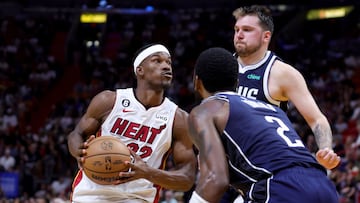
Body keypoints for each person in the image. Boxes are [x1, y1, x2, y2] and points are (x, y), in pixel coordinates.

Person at [187, 47, 339, 202]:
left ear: (197, 82)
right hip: (323, 185)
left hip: (280, 187)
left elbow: (216, 180)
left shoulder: (205, 111)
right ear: (237, 82)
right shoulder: (273, 110)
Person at [67, 43, 197, 203]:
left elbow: (187, 178)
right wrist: (79, 152)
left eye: (168, 62)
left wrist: (148, 172)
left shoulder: (179, 119)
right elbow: (76, 134)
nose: (166, 66)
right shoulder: (109, 101)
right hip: (91, 195)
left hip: (137, 198)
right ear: (139, 70)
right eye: (157, 61)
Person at [233, 5, 340, 171]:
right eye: (237, 29)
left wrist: (326, 149)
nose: (239, 35)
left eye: (247, 30)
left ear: (266, 36)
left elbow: (317, 119)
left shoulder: (282, 73)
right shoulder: (220, 66)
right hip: (225, 165)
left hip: (264, 165)